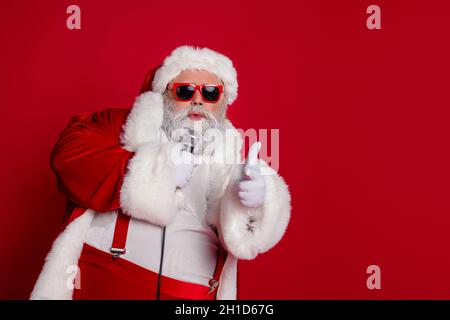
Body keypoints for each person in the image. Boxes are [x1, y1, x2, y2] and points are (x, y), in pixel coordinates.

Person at [31, 45, 291, 300]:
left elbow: (240, 237)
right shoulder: (122, 127)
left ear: (222, 102)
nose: (198, 99)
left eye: (211, 92)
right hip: (109, 279)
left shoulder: (230, 158)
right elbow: (70, 156)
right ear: (164, 94)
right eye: (185, 91)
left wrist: (255, 202)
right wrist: (152, 171)